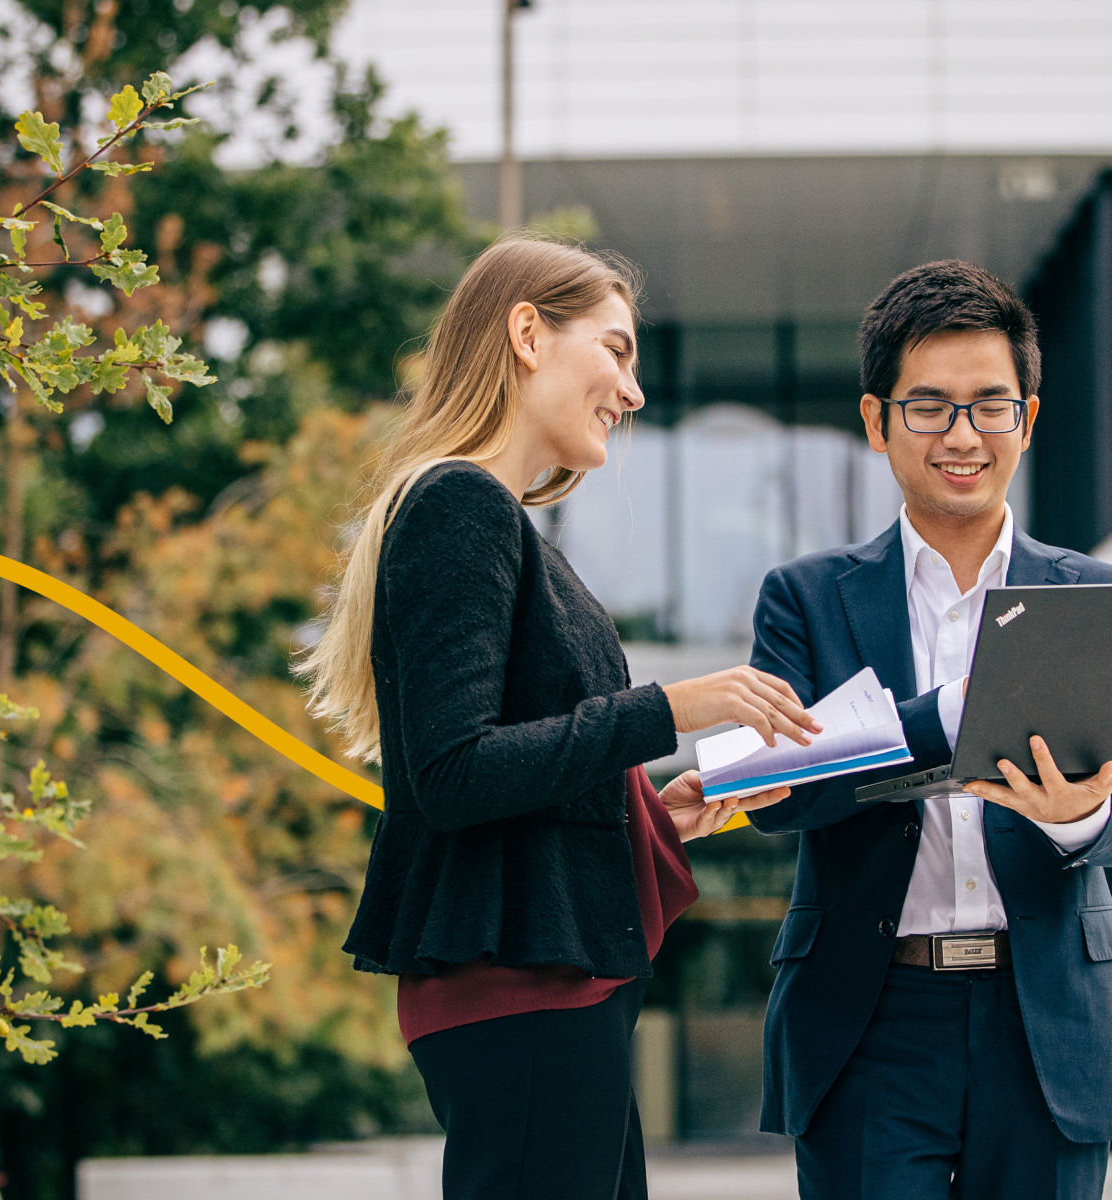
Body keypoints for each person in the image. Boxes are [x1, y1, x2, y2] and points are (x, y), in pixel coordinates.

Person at [297, 234, 819, 1200]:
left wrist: (652, 812)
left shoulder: (483, 516)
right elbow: (453, 773)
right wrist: (672, 706)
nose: (634, 391)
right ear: (527, 332)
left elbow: (508, 772)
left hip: (549, 987)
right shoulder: (461, 507)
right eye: (616, 350)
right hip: (525, 992)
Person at [746, 260, 1112, 1200]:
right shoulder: (807, 600)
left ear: (1028, 417)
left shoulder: (1101, 600)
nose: (963, 435)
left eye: (991, 405)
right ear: (876, 420)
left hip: (1048, 1016)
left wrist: (1078, 820)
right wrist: (947, 717)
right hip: (869, 1017)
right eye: (929, 407)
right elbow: (775, 796)